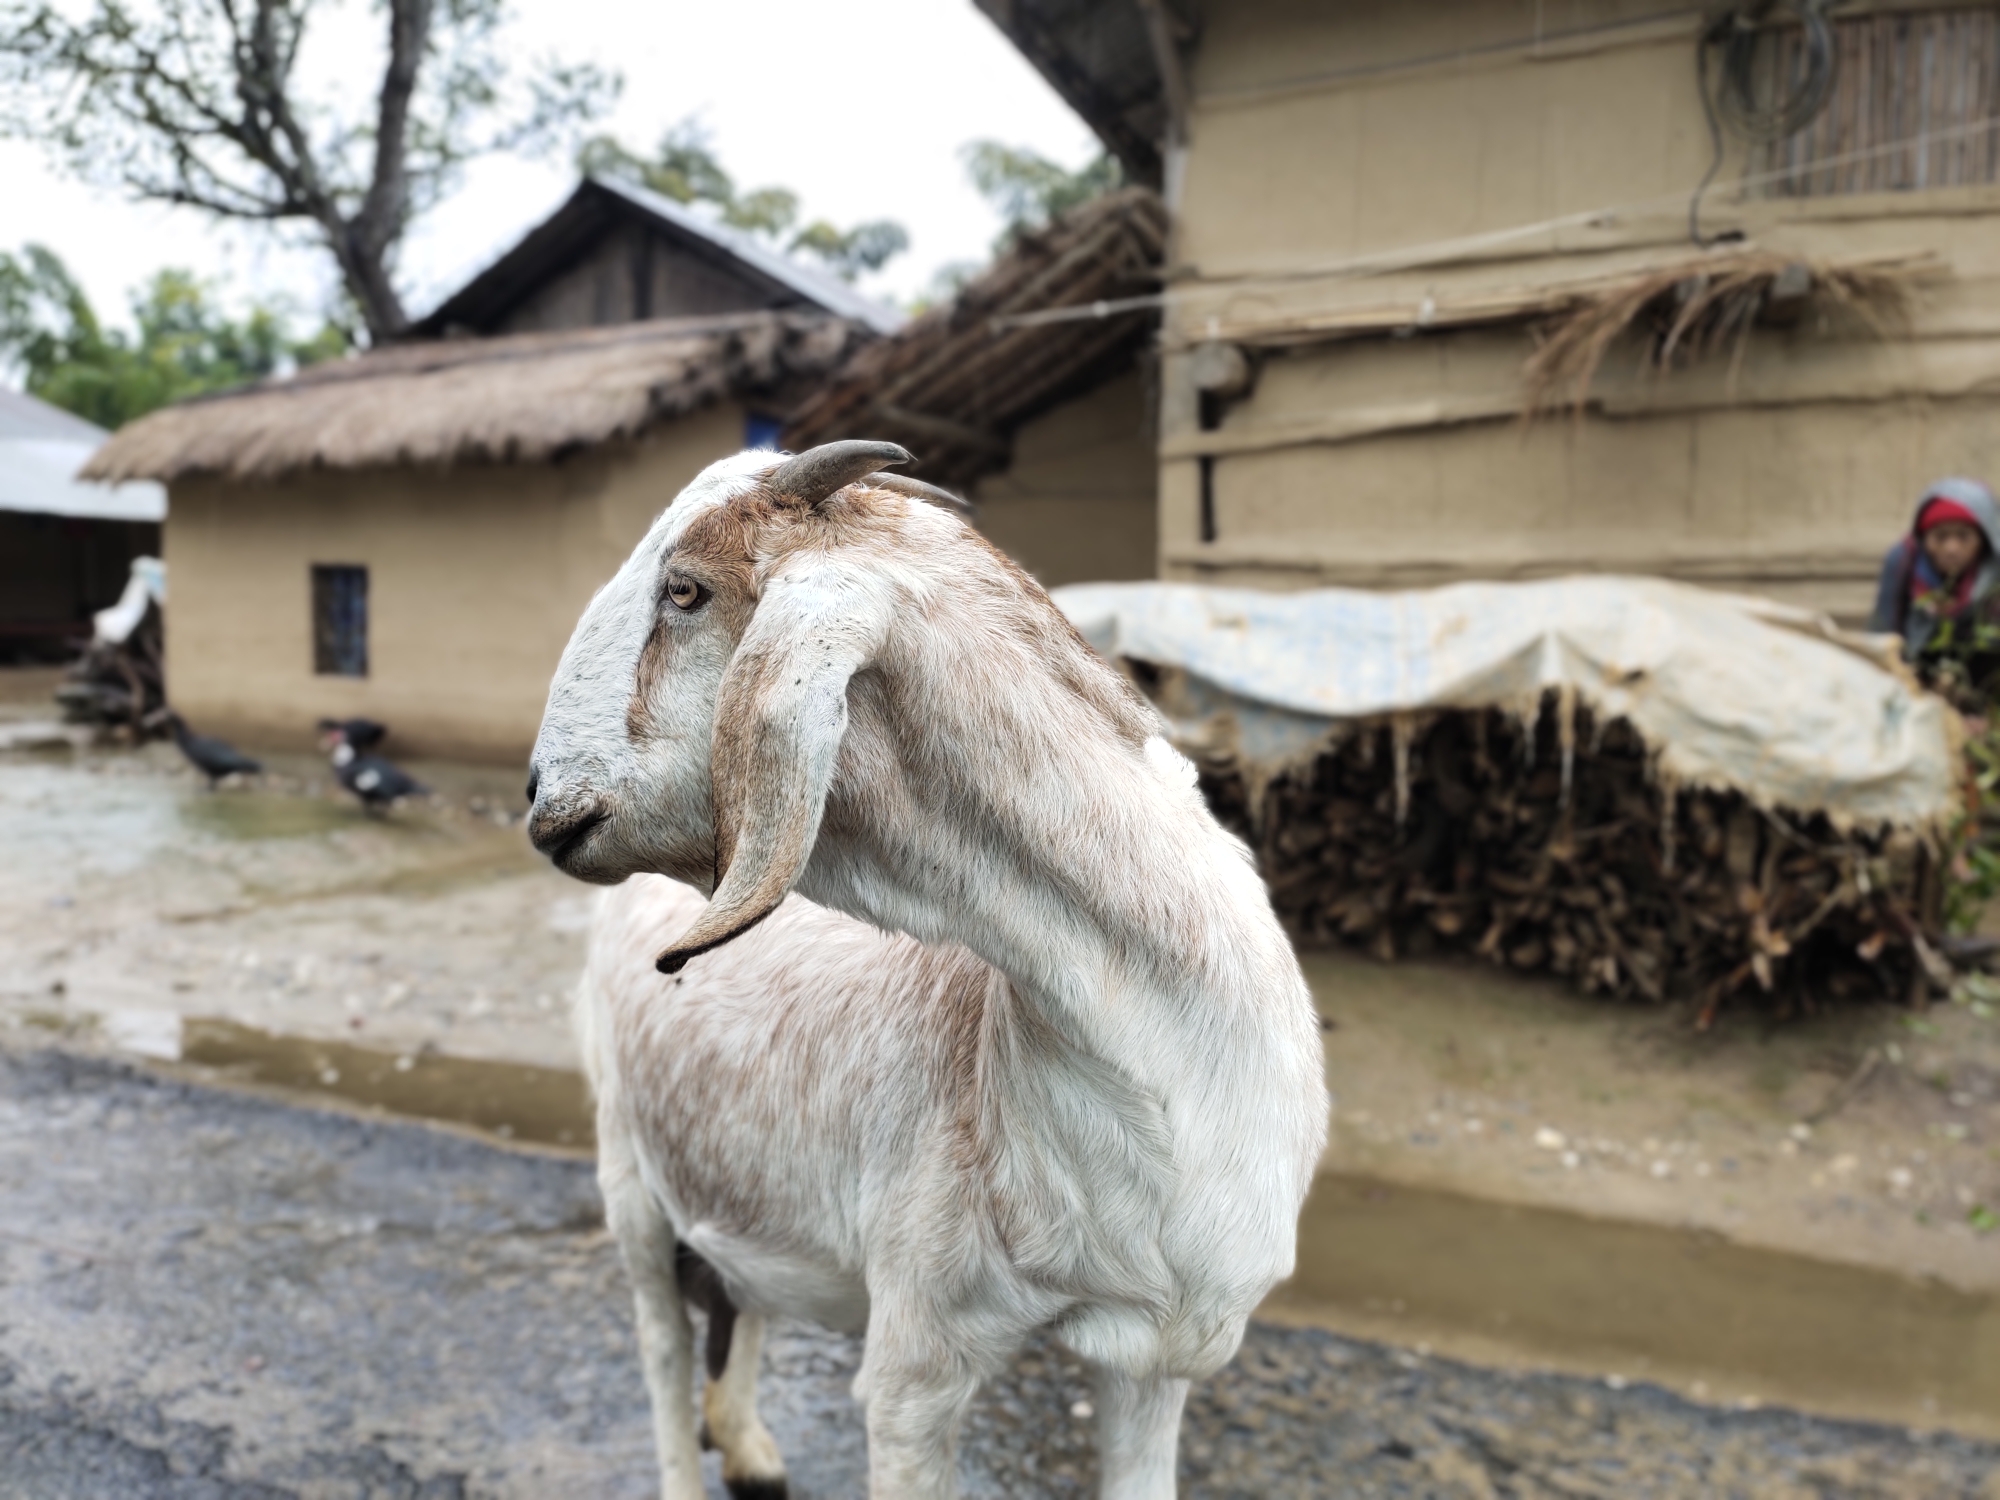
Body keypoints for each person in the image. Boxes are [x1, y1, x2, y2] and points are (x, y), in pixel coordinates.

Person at [1869, 479, 2000, 698]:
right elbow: (1883, 634)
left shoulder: (1994, 570)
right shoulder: (1903, 561)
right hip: (1916, 676)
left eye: (1963, 536)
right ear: (1924, 538)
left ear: (1983, 539)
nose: (1951, 548)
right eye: (1940, 537)